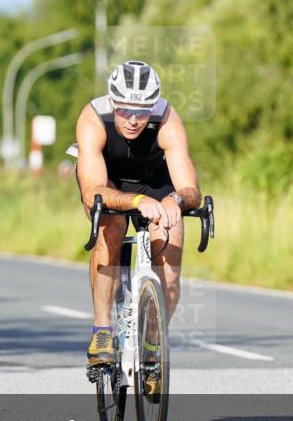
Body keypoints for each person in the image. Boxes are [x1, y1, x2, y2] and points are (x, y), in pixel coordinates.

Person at [73, 61, 202, 385]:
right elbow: (92, 193)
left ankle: (151, 347)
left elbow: (190, 189)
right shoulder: (93, 119)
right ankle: (102, 330)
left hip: (156, 185)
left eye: (142, 111)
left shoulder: (168, 120)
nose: (133, 119)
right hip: (109, 183)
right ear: (113, 102)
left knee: (169, 275)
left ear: (153, 106)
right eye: (126, 110)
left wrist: (175, 201)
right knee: (112, 227)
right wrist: (135, 202)